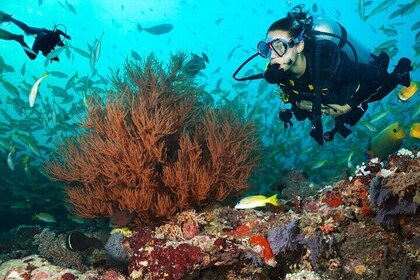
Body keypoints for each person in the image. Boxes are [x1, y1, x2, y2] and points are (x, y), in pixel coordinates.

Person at [233, 5, 413, 145]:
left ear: (300, 45)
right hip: (326, 97)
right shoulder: (279, 70)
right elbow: (287, 94)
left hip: (352, 88)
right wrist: (288, 109)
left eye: (279, 47)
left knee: (377, 92)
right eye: (267, 49)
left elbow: (377, 75)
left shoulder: (329, 64)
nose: (273, 58)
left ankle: (399, 71)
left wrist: (349, 106)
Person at [0, 10, 71, 62]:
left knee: (32, 56)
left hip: (39, 37)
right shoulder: (56, 40)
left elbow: (45, 53)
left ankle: (20, 39)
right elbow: (58, 31)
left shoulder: (50, 49)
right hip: (41, 34)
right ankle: (11, 21)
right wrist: (65, 36)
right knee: (28, 30)